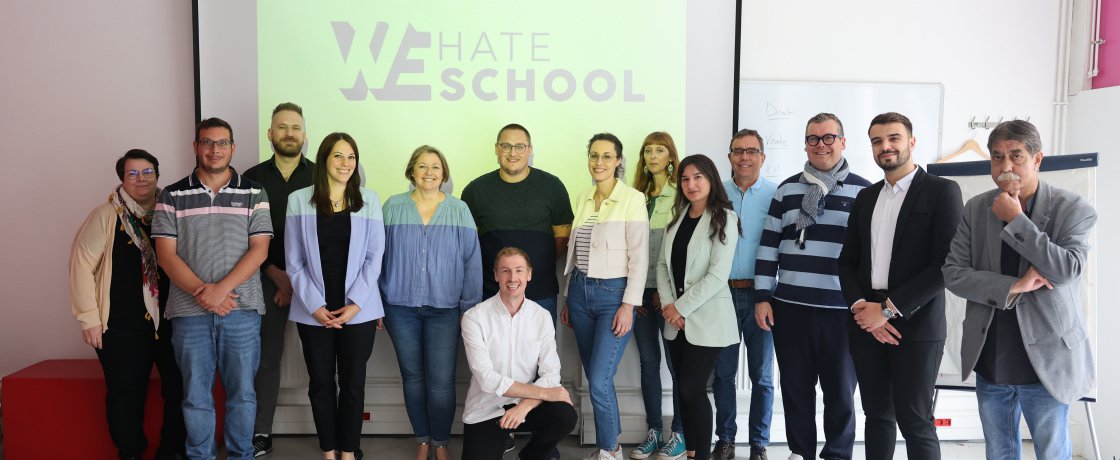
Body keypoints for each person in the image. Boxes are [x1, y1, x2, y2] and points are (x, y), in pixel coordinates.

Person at [943, 120, 1096, 460]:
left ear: (1037, 159)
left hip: (1047, 362)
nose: (1006, 167)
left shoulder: (1073, 209)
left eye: (1016, 156)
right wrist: (1015, 285)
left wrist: (1017, 220)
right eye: (997, 157)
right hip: (991, 356)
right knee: (999, 452)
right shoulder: (977, 207)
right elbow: (953, 274)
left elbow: (1067, 270)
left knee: (1051, 452)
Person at [837, 112, 963, 460]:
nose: (885, 146)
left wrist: (888, 311)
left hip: (917, 324)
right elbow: (847, 261)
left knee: (915, 420)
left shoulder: (942, 191)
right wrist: (863, 310)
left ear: (911, 142)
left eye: (893, 138)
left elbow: (945, 266)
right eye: (877, 141)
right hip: (866, 319)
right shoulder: (866, 197)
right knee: (877, 415)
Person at [753, 113, 870, 460]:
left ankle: (837, 454)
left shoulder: (865, 191)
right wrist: (762, 296)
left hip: (841, 312)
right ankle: (800, 452)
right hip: (790, 309)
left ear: (843, 142)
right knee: (795, 390)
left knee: (840, 394)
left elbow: (873, 255)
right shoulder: (787, 189)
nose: (821, 145)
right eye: (813, 139)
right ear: (805, 144)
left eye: (828, 137)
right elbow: (768, 245)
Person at [153, 118, 272, 460]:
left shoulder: (254, 192)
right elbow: (166, 255)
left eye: (222, 143)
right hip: (189, 313)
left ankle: (240, 456)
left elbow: (260, 250)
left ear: (233, 148)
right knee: (194, 396)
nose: (215, 149)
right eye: (207, 142)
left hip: (242, 310)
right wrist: (205, 294)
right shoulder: (171, 195)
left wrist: (221, 290)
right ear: (196, 147)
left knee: (243, 395)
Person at [69, 149, 186, 460]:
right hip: (121, 326)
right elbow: (81, 264)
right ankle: (130, 452)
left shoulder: (172, 211)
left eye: (147, 172)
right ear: (122, 178)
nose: (141, 179)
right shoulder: (106, 215)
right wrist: (89, 319)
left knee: (180, 390)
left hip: (172, 322)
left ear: (158, 175)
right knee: (126, 394)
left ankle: (171, 452)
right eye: (132, 173)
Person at [285, 132, 385, 460]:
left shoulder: (369, 200)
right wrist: (315, 305)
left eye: (351, 157)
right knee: (321, 384)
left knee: (354, 385)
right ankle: (328, 451)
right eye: (338, 156)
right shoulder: (299, 200)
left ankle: (347, 450)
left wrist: (355, 303)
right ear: (324, 159)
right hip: (314, 311)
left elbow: (374, 257)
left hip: (359, 310)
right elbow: (294, 260)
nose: (346, 164)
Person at [382, 145, 483, 460]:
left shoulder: (459, 209)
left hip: (445, 309)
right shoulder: (392, 207)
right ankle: (422, 439)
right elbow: (376, 258)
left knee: (440, 382)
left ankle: (440, 441)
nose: (429, 172)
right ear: (412, 171)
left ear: (444, 172)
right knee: (412, 378)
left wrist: (468, 309)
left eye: (435, 166)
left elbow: (472, 261)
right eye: (422, 166)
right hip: (399, 308)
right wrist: (375, 303)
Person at [560, 133, 649, 460]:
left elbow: (639, 256)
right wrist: (570, 295)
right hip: (580, 294)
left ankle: (611, 450)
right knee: (597, 377)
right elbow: (576, 252)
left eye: (607, 156)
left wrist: (629, 305)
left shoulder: (632, 198)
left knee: (598, 379)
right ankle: (607, 446)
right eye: (594, 155)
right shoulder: (583, 197)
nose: (599, 162)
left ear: (618, 161)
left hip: (613, 295)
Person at [242, 102, 316, 457]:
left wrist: (297, 280)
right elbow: (241, 234)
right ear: (270, 134)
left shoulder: (322, 176)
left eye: (295, 127)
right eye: (282, 127)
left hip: (314, 282)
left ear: (305, 134)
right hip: (266, 280)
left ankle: (330, 435)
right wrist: (275, 273)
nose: (289, 133)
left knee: (322, 360)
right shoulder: (249, 178)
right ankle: (261, 432)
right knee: (267, 359)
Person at [656, 154, 741, 460]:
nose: (691, 184)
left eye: (698, 177)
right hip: (675, 321)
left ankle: (702, 455)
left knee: (693, 389)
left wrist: (681, 308)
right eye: (685, 179)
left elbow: (718, 275)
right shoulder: (677, 219)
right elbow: (662, 267)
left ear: (711, 179)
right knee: (683, 391)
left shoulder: (724, 218)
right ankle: (692, 452)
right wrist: (669, 307)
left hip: (707, 320)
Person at [460, 247, 578, 460]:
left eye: (519, 270)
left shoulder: (541, 316)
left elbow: (551, 374)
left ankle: (529, 456)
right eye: (505, 271)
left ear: (529, 274)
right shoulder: (474, 318)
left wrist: (524, 407)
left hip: (525, 405)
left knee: (565, 415)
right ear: (496, 275)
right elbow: (487, 379)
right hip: (487, 408)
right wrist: (544, 394)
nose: (512, 277)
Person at [461, 124, 574, 324]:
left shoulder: (552, 187)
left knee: (539, 354)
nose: (513, 153)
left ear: (530, 150)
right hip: (491, 293)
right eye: (506, 146)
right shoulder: (475, 191)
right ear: (497, 149)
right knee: (492, 354)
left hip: (540, 292)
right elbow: (469, 246)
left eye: (520, 146)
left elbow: (563, 237)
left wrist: (535, 264)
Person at [712, 130, 777, 460]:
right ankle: (725, 440)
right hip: (721, 295)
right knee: (722, 374)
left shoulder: (777, 194)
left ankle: (759, 444)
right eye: (738, 151)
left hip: (762, 296)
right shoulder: (717, 193)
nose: (744, 157)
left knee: (762, 376)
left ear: (762, 157)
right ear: (729, 156)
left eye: (751, 151)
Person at [629, 132, 686, 460]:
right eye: (647, 150)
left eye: (659, 150)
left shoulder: (680, 195)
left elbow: (679, 251)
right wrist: (635, 294)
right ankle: (654, 431)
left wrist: (664, 295)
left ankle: (679, 432)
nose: (653, 155)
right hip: (637, 294)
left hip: (667, 296)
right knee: (648, 362)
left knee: (677, 367)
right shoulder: (634, 196)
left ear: (670, 157)